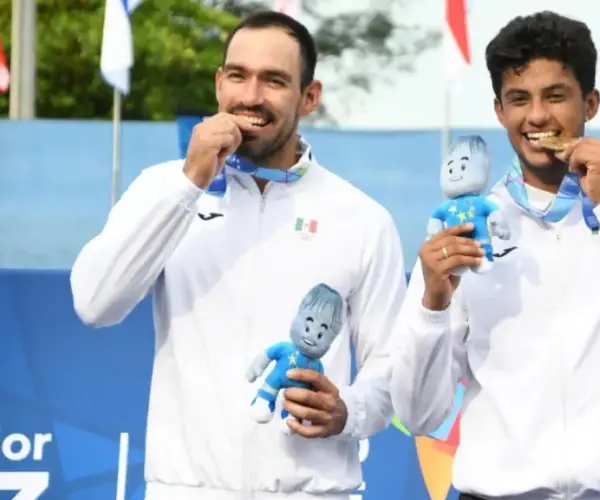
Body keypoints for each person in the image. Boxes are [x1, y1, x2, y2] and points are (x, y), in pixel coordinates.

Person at [390, 11, 600, 500]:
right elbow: (420, 414)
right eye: (519, 99)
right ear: (498, 110)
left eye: (555, 96)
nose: (537, 117)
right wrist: (432, 304)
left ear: (589, 103)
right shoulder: (465, 229)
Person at [70, 11, 406, 500]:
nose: (251, 96)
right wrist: (190, 183)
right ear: (218, 84)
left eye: (274, 80)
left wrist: (349, 412)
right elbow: (95, 303)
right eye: (237, 76)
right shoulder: (164, 188)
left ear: (309, 97)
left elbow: (391, 365)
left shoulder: (361, 217)